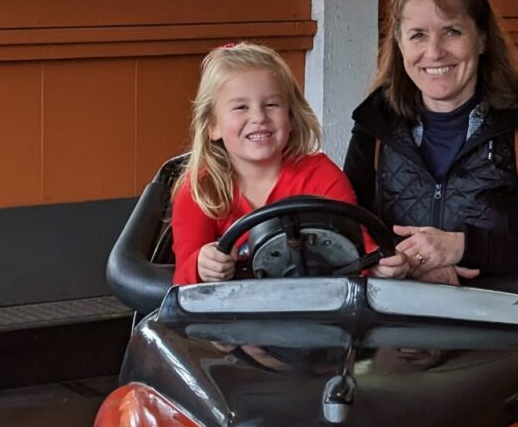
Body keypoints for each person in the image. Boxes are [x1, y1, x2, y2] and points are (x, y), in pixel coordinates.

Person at [344, 0, 518, 284]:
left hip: (502, 326)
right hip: (398, 324)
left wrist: (465, 248)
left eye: (452, 31)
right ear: (399, 44)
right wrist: (380, 264)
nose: (434, 52)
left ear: (481, 39)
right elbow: (346, 243)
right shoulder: (374, 129)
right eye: (418, 35)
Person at [171, 42, 407, 285]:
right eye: (241, 107)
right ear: (213, 126)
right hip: (231, 315)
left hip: (314, 309)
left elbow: (360, 250)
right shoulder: (200, 191)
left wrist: (383, 266)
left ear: (291, 117)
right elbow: (182, 280)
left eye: (271, 105)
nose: (259, 117)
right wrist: (203, 264)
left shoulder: (321, 175)